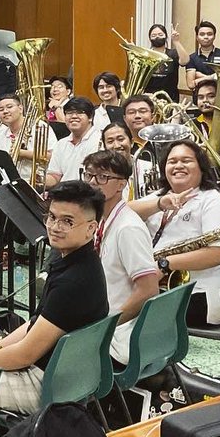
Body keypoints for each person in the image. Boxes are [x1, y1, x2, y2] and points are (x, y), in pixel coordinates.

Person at [0, 180, 108, 413]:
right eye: (52, 217)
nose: (54, 227)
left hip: (46, 385)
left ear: (91, 228)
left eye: (67, 221)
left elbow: (25, 355)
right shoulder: (75, 260)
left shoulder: (74, 282)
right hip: (61, 373)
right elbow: (36, 322)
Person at [129, 139, 220, 327]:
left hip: (198, 295)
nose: (178, 165)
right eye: (172, 162)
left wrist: (165, 264)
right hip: (162, 284)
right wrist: (159, 204)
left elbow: (218, 254)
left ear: (201, 167)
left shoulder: (213, 201)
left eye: (186, 160)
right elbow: (123, 212)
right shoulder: (163, 195)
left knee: (110, 306)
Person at [82, 151, 158, 363]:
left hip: (118, 337)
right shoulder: (106, 218)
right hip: (103, 316)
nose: (92, 183)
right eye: (88, 175)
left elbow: (149, 289)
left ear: (122, 184)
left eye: (103, 177)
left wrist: (104, 328)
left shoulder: (128, 228)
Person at [0, 94, 52, 185]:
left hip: (35, 182)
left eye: (9, 107)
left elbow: (51, 156)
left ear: (20, 108)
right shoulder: (0, 135)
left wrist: (21, 153)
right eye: (1, 109)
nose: (5, 111)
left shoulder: (40, 127)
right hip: (7, 182)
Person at [44, 98, 101, 189]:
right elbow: (55, 176)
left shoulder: (100, 140)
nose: (74, 116)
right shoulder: (61, 144)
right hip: (64, 195)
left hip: (89, 195)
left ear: (90, 117)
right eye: (69, 113)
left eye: (79, 112)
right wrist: (40, 179)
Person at [144, 23, 187, 102]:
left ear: (166, 36)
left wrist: (176, 41)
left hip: (170, 98)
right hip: (149, 98)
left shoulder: (173, 53)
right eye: (153, 35)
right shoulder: (145, 55)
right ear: (149, 38)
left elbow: (185, 61)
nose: (157, 37)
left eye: (160, 34)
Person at [185, 21, 220, 93]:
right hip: (199, 99)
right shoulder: (191, 58)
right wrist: (214, 76)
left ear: (214, 36)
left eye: (209, 34)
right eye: (202, 34)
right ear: (197, 37)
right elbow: (191, 84)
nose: (206, 37)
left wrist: (199, 77)